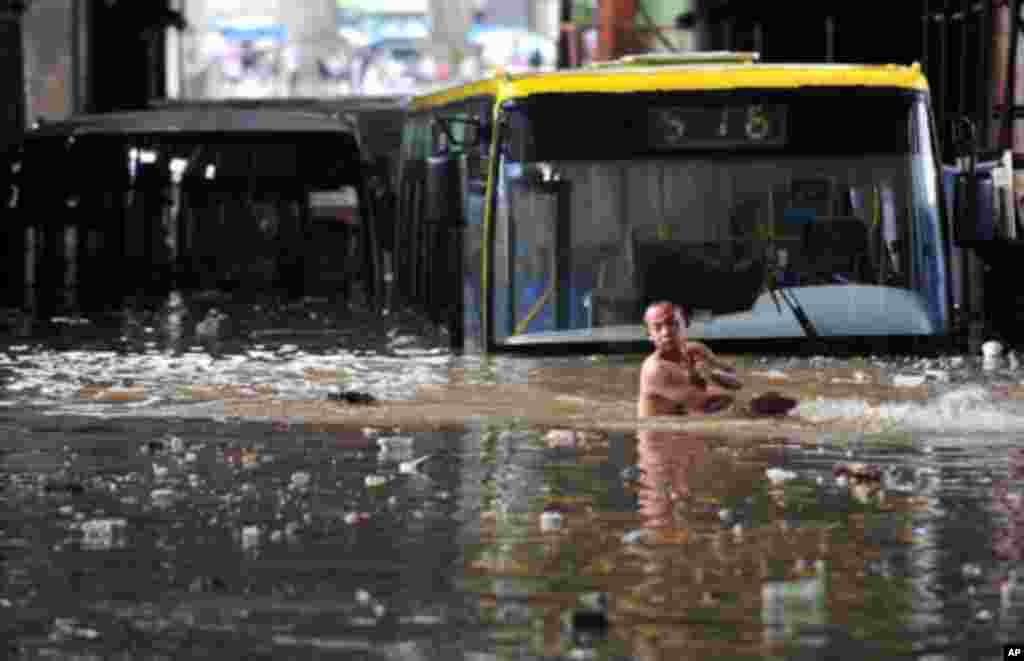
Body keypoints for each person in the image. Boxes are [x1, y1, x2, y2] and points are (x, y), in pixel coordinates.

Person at [637, 301, 796, 418]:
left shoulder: (695, 350)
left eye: (672, 324)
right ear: (649, 335)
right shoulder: (656, 370)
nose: (666, 332)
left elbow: (737, 380)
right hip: (660, 440)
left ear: (686, 324)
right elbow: (706, 404)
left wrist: (713, 374)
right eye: (658, 327)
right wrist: (757, 403)